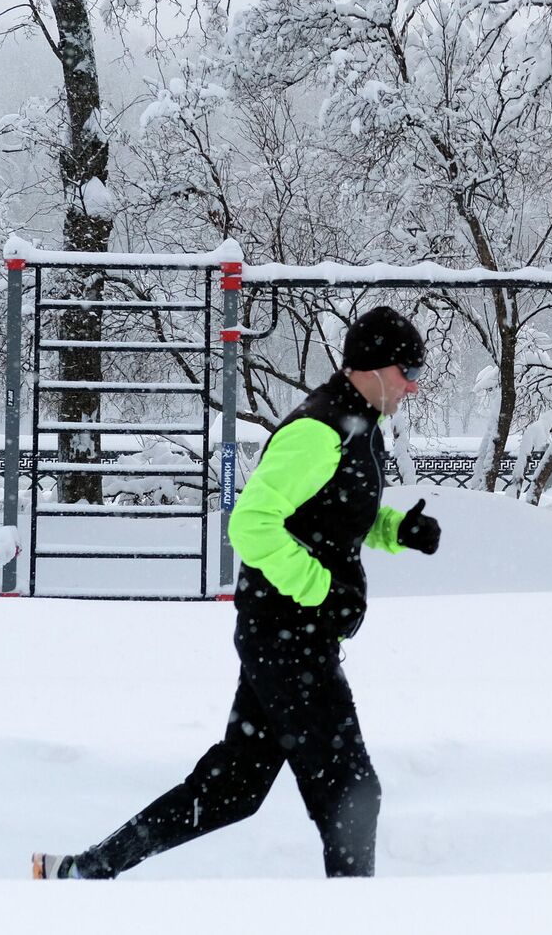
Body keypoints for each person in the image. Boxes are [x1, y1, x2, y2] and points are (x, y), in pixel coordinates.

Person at [33, 305, 441, 880]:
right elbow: (251, 523)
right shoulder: (317, 431)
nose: (413, 384)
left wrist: (397, 530)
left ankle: (88, 869)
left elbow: (332, 512)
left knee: (234, 787)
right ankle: (355, 916)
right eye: (408, 369)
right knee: (353, 794)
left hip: (287, 637)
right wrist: (322, 592)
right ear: (372, 367)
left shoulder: (358, 424)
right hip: (288, 637)